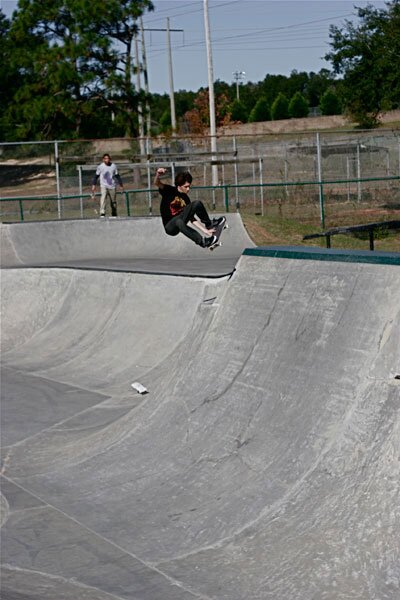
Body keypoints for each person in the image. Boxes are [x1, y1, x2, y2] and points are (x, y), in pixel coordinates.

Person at [154, 168, 225, 248]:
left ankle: (209, 224)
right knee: (178, 221)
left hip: (180, 220)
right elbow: (157, 183)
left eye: (189, 186)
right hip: (170, 226)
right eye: (186, 187)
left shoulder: (186, 199)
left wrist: (206, 231)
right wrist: (158, 174)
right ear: (179, 185)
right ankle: (203, 242)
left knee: (197, 203)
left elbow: (192, 219)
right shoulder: (168, 190)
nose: (188, 189)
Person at [91, 153, 124, 217]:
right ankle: (102, 212)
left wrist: (121, 185)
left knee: (113, 201)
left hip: (112, 186)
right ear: (103, 159)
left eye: (108, 158)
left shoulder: (113, 166)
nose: (107, 160)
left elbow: (117, 176)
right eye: (105, 158)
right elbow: (96, 176)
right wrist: (93, 185)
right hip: (104, 186)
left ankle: (114, 213)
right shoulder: (100, 167)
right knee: (103, 198)